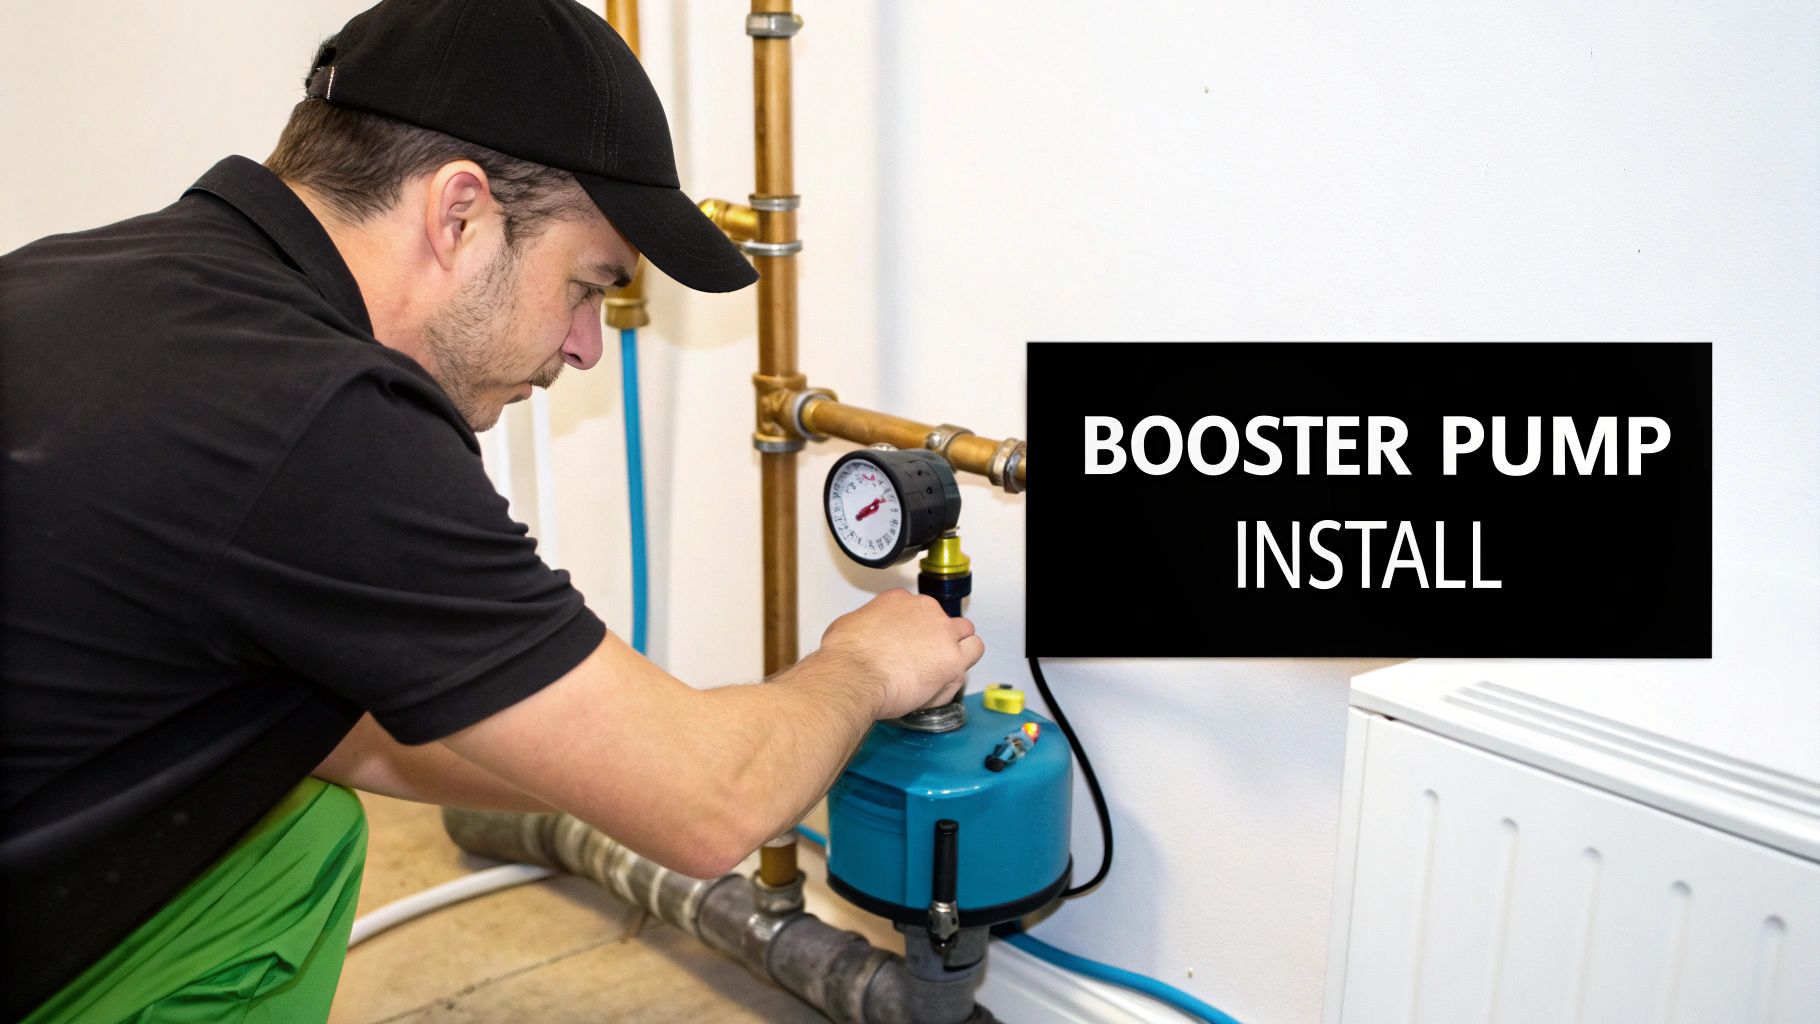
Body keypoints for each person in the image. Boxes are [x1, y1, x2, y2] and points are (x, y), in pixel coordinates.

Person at [0, 0, 983, 1019]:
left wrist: (615, 762)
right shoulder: (320, 418)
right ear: (459, 213)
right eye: (587, 284)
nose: (586, 344)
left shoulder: (107, 277)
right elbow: (712, 806)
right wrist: (858, 668)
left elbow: (328, 728)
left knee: (296, 834)